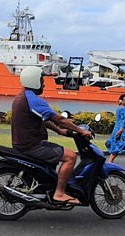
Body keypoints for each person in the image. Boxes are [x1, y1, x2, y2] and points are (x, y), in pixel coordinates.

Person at [12, 66, 94, 206]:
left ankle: (51, 186)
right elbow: (59, 119)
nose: (44, 83)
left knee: (58, 154)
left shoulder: (23, 96)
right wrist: (81, 131)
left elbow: (43, 119)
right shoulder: (34, 100)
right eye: (42, 80)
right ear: (34, 81)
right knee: (71, 156)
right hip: (33, 145)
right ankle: (59, 193)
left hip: (23, 142)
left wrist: (59, 131)